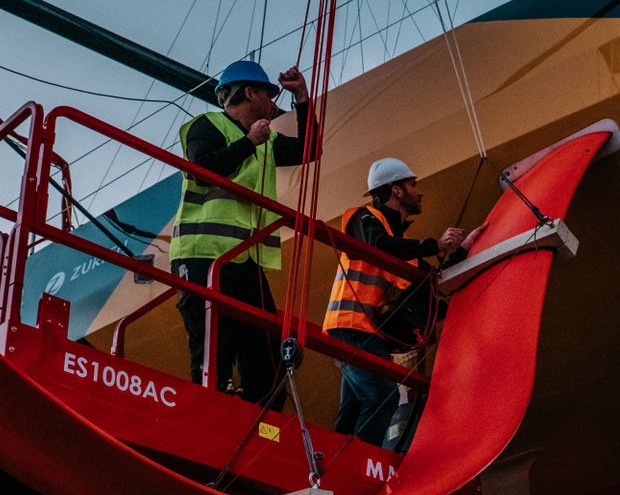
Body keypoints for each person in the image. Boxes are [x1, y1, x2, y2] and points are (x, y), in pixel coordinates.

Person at [173, 59, 312, 404]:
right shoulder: (207, 126)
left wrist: (303, 100)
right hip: (204, 255)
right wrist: (249, 142)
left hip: (244, 258)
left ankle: (261, 429)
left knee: (266, 356)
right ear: (250, 91)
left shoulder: (265, 142)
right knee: (213, 351)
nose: (273, 103)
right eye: (270, 94)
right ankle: (210, 422)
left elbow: (310, 151)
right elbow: (203, 169)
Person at [322, 157, 480, 446]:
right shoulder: (364, 218)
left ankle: (337, 462)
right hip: (351, 326)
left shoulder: (398, 241)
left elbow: (426, 282)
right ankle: (360, 463)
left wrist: (462, 251)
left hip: (360, 330)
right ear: (395, 190)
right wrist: (435, 244)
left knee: (356, 404)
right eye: (411, 184)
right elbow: (378, 245)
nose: (418, 191)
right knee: (383, 395)